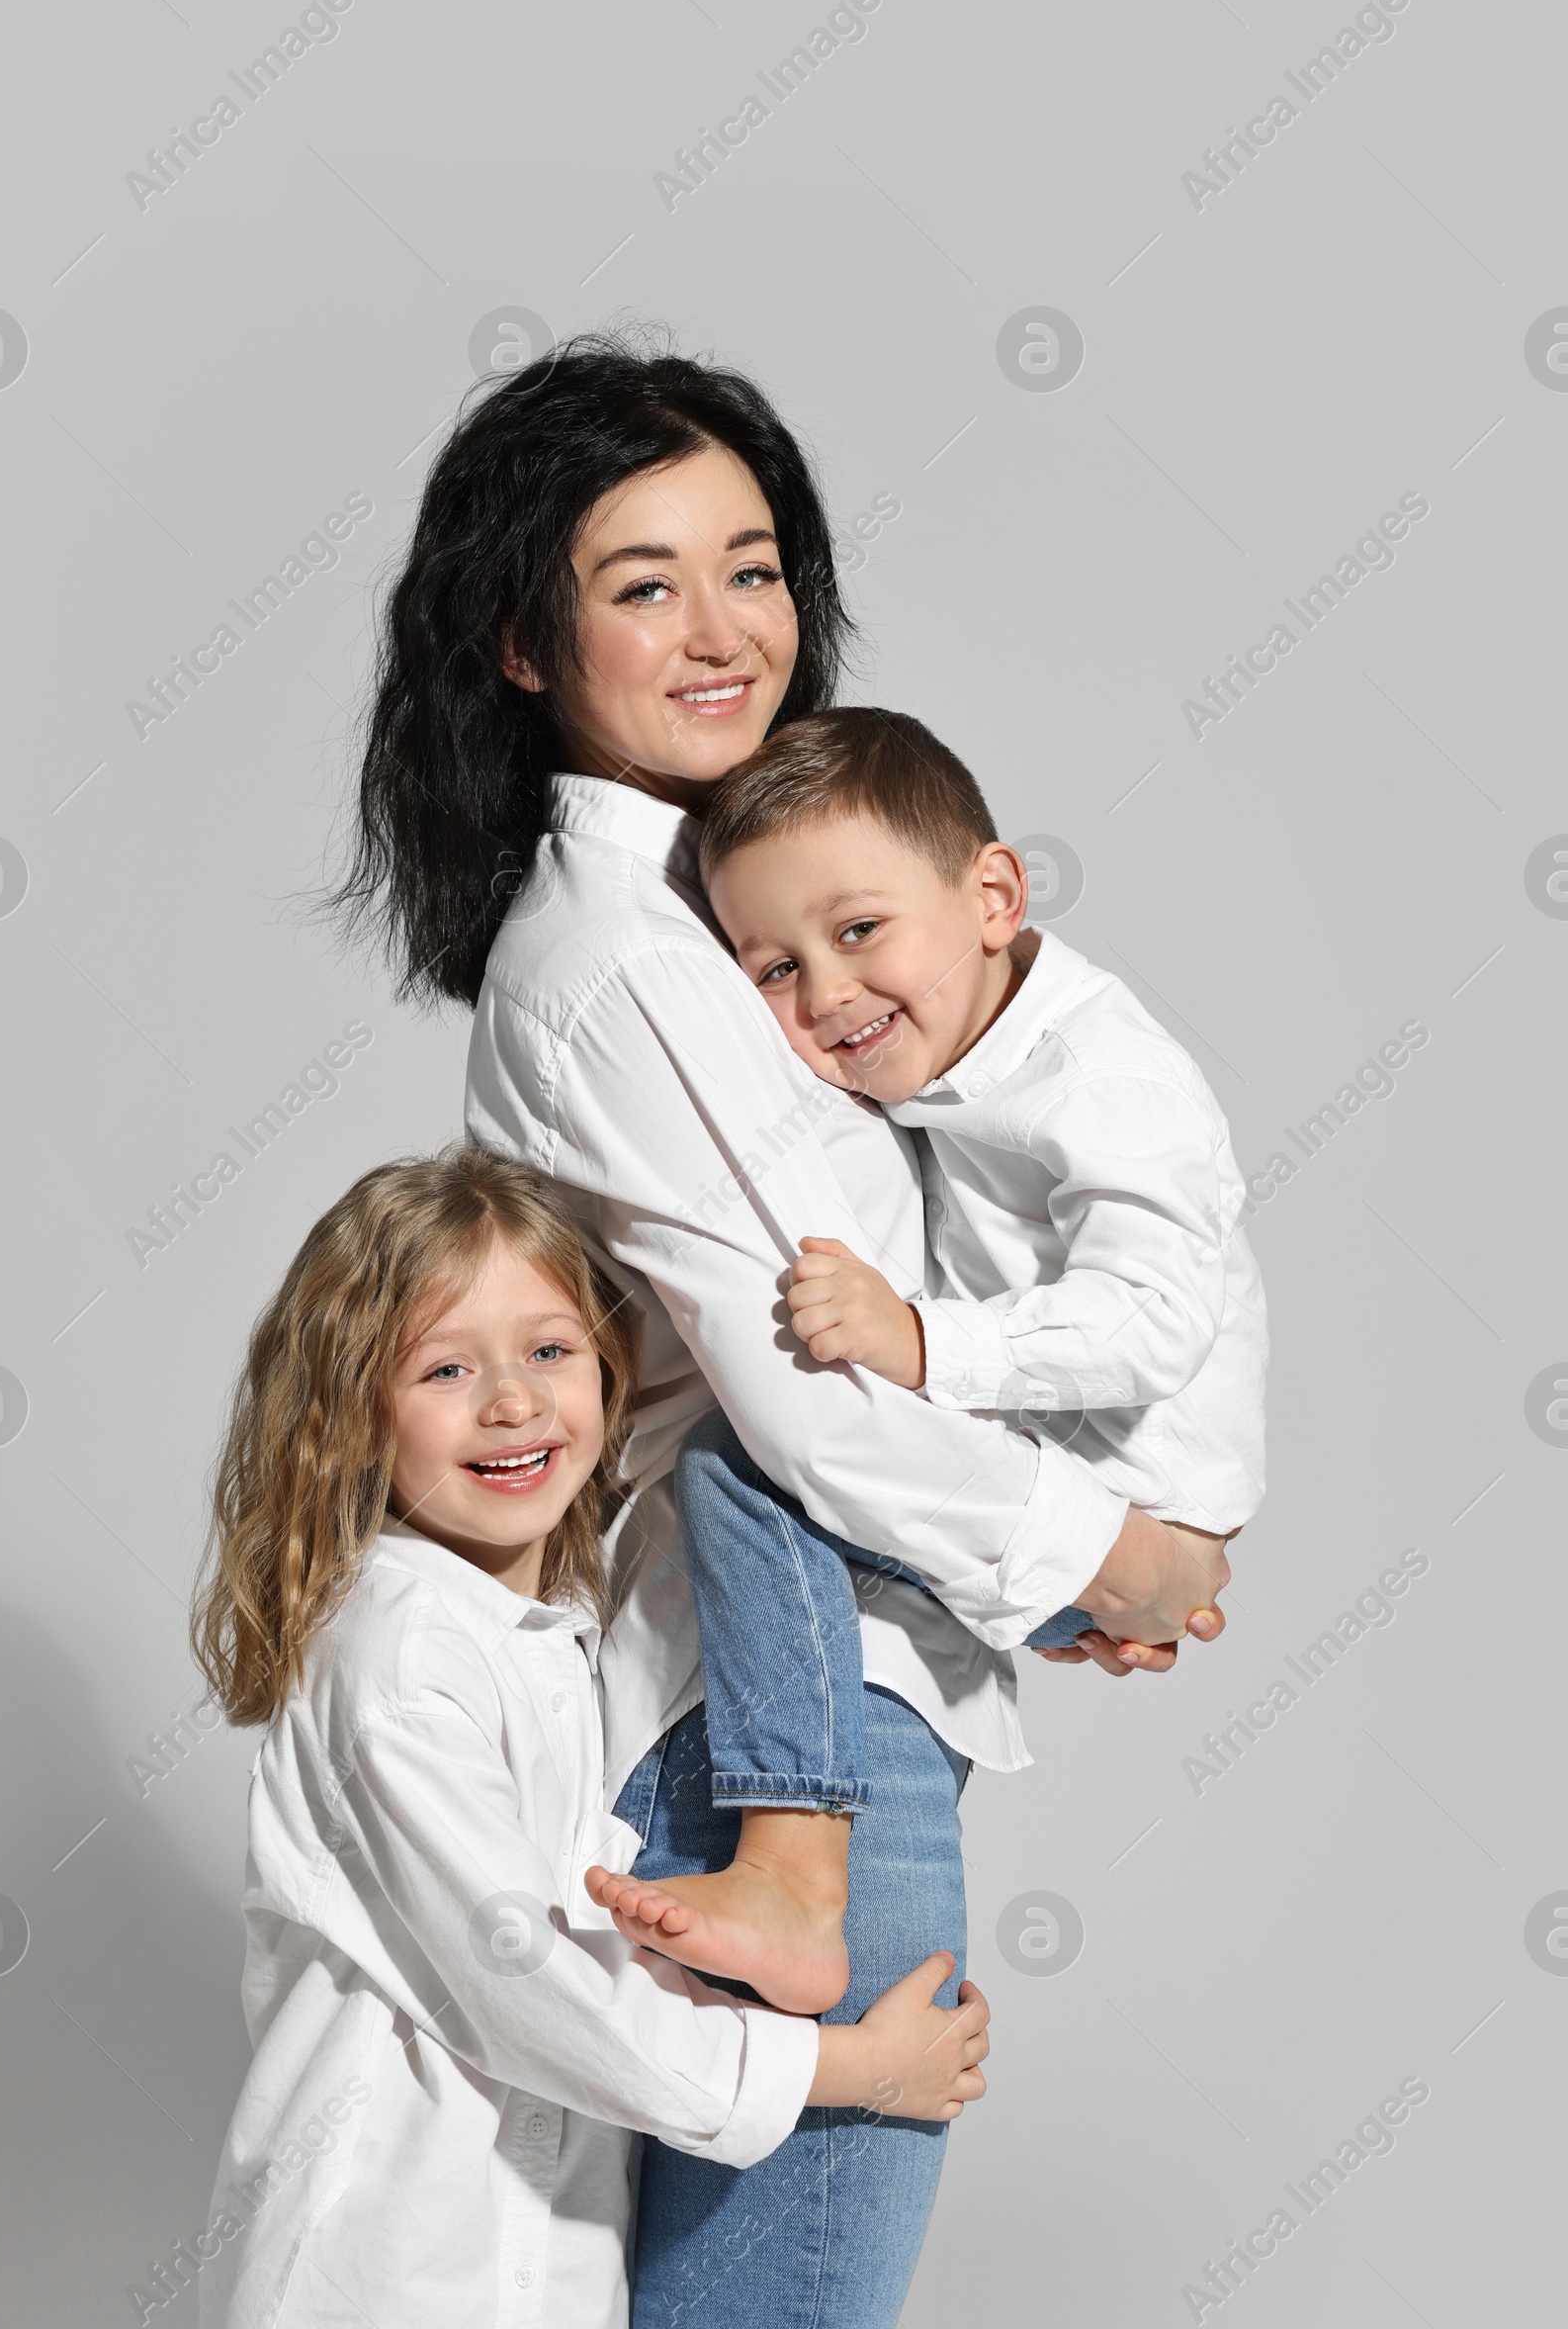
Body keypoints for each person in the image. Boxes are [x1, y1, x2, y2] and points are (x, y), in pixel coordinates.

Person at [337, 331, 1229, 2327]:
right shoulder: (630, 968)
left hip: (808, 1693)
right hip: (779, 1740)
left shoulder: (736, 914)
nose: (724, 627)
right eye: (640, 583)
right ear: (518, 642)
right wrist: (1116, 1555)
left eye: (751, 565)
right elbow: (805, 1409)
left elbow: (909, 1312)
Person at [189, 1143, 989, 2329]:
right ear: (349, 1420)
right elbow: (528, 1987)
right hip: (382, 2280)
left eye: (550, 1352)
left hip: (537, 2273)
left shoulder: (559, 1628)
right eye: (446, 1368)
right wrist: (850, 2073)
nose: (513, 1401)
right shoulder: (400, 1653)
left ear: (610, 1375)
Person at [588, 707, 1265, 1999]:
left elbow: (1156, 1317)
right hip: (1068, 1506)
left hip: (1133, 1499)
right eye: (769, 970)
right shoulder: (945, 1047)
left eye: (857, 932)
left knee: (742, 1467)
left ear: (996, 894)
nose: (826, 994)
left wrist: (917, 1343)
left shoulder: (1104, 1079)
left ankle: (791, 1864)